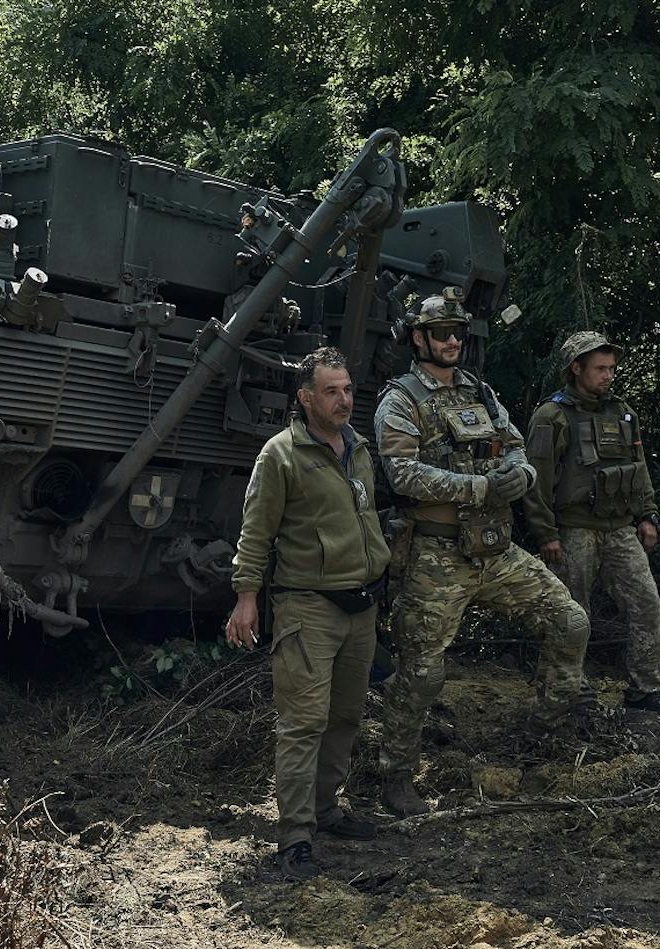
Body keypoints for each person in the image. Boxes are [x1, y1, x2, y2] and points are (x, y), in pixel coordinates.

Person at [374, 289, 590, 818]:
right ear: (418, 338)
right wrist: (479, 488)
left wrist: (524, 475)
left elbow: (515, 447)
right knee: (421, 673)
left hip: (496, 549)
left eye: (458, 333)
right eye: (441, 333)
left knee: (570, 622)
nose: (452, 341)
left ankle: (540, 735)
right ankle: (396, 776)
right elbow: (402, 474)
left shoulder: (481, 393)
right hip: (435, 554)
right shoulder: (400, 399)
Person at [227, 346, 391, 881]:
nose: (344, 400)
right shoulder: (281, 455)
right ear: (305, 397)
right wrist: (246, 597)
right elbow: (256, 532)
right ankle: (295, 835)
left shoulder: (358, 448)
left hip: (360, 607)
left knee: (345, 716)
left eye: (348, 390)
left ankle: (325, 810)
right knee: (303, 723)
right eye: (331, 391)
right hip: (308, 608)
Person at [524, 331, 660, 713]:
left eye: (611, 368)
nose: (608, 375)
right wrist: (545, 533)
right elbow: (536, 482)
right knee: (572, 612)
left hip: (619, 528)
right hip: (573, 529)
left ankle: (646, 689)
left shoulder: (623, 413)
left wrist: (648, 515)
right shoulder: (551, 416)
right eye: (600, 368)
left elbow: (638, 468)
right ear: (576, 368)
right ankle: (571, 690)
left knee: (645, 602)